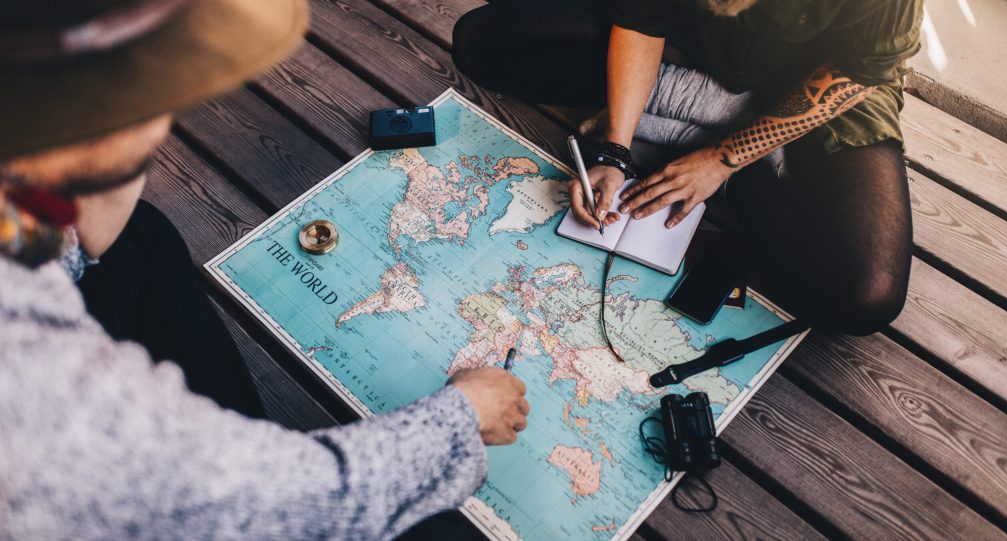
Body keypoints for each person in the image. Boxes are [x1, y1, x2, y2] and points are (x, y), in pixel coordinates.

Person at [0, 1, 528, 539]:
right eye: (151, 91)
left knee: (138, 237)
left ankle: (232, 427)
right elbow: (298, 507)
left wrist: (67, 201)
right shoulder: (41, 397)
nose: (168, 117)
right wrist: (464, 416)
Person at [452, 0, 922, 335]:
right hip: (695, 41)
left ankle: (704, 125)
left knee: (864, 297)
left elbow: (864, 68)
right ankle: (704, 112)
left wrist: (724, 159)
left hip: (819, 84)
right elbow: (641, 17)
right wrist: (616, 151)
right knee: (483, 41)